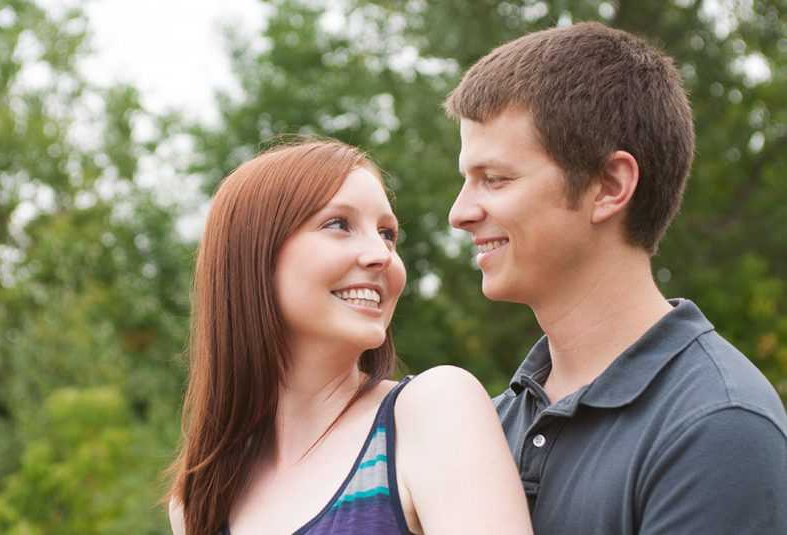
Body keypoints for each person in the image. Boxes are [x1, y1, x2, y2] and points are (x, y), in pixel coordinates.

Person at [444, 21, 787, 534]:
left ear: (609, 186)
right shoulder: (490, 424)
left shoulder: (718, 425)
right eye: (466, 181)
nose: (460, 212)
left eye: (494, 179)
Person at [166, 140, 533, 535]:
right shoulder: (200, 499)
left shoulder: (432, 411)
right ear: (254, 256)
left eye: (387, 234)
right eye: (339, 224)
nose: (381, 255)